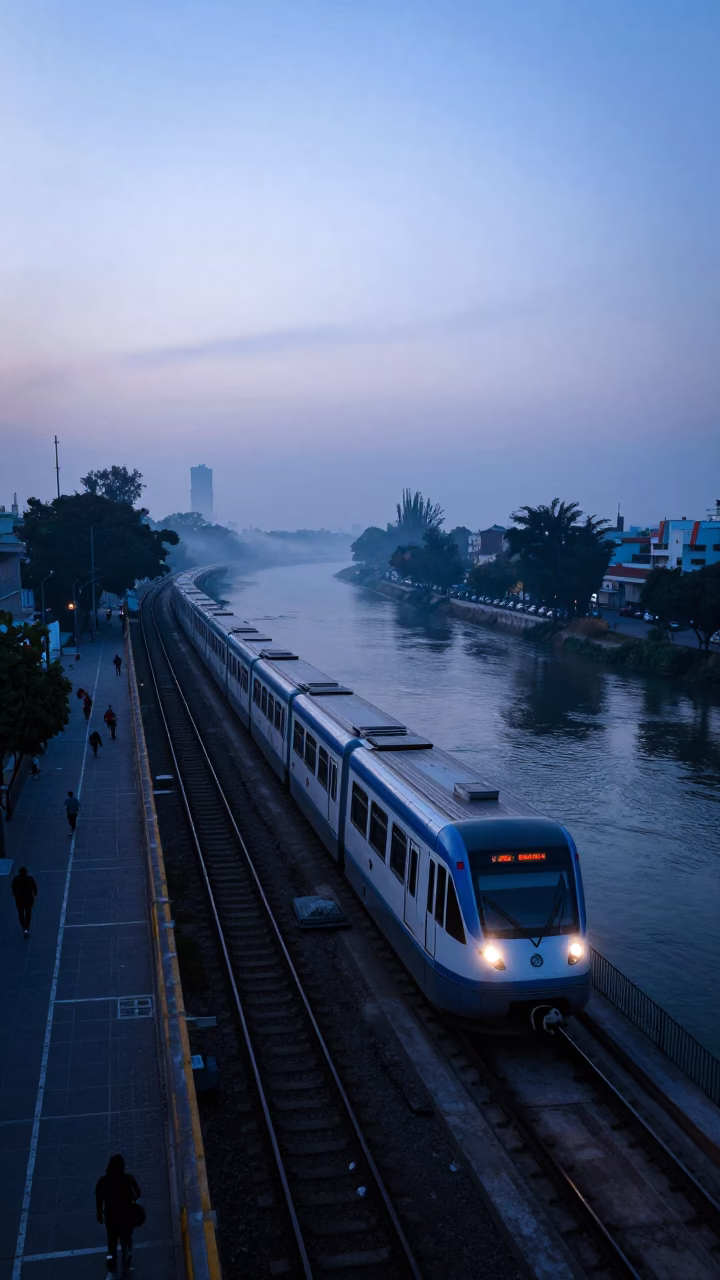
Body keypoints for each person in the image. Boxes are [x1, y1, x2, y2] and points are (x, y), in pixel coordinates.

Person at [95, 1154, 142, 1275]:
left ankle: (112, 1263)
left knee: (112, 1243)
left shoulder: (103, 1182)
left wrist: (99, 1214)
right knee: (126, 1239)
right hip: (126, 1216)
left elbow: (99, 1200)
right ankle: (126, 1259)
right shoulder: (128, 1179)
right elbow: (138, 1193)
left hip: (111, 1219)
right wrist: (132, 1200)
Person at [11, 867, 38, 936]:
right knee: (28, 913)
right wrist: (35, 893)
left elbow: (13, 888)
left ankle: (25, 928)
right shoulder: (30, 879)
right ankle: (27, 927)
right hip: (28, 900)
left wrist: (15, 894)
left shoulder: (15, 880)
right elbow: (34, 888)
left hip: (19, 900)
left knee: (21, 914)